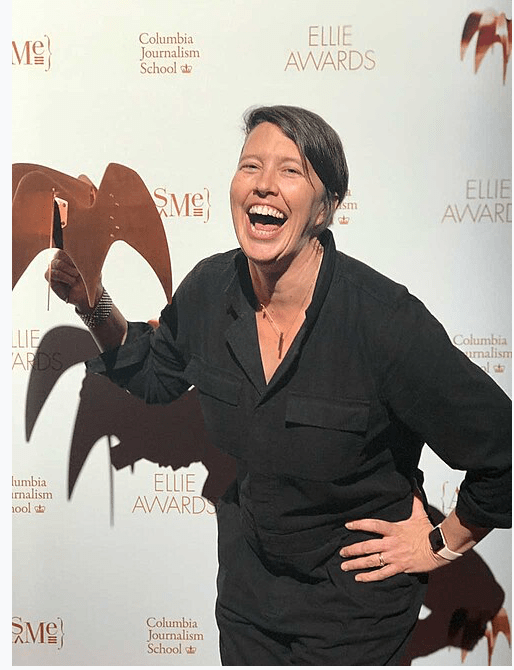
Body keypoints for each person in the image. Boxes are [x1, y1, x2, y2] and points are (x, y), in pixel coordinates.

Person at [46, 105, 511, 666]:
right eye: (250, 166)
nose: (263, 184)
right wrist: (92, 301)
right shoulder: (210, 289)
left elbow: (502, 451)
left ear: (326, 207)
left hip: (354, 617)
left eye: (290, 170)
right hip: (249, 605)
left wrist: (440, 543)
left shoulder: (384, 322)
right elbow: (153, 373)